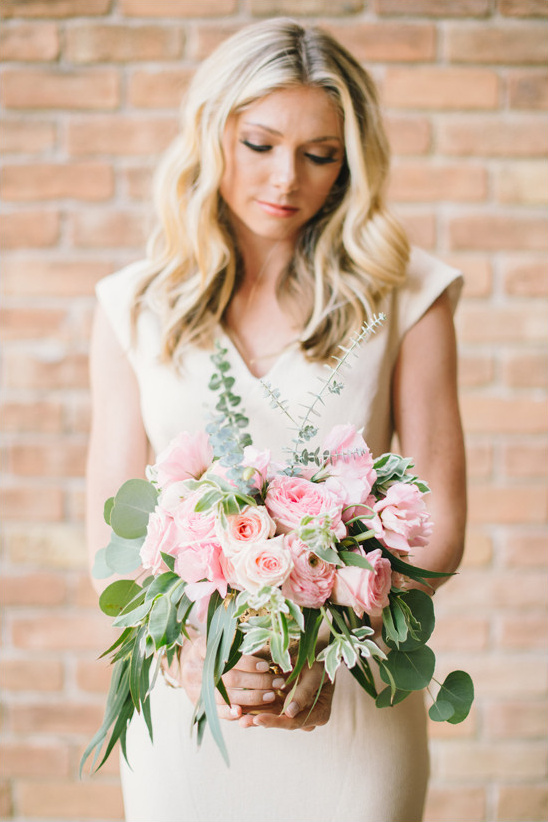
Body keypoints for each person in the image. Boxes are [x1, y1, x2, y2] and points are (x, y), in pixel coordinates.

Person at [86, 17, 466, 822]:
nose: (286, 178)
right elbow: (111, 532)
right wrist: (192, 650)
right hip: (191, 706)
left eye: (320, 154)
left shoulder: (405, 296)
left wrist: (325, 646)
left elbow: (439, 526)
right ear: (208, 134)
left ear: (351, 159)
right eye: (258, 144)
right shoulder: (135, 306)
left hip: (352, 699)